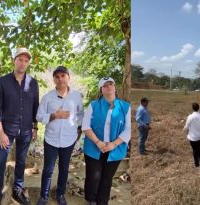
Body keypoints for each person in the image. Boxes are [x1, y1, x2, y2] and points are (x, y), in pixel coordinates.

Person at [0, 48, 39, 205]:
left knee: (21, 161)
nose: (23, 63)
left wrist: (35, 127)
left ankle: (18, 190)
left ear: (28, 63)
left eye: (26, 60)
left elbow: (35, 107)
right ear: (14, 60)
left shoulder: (33, 83)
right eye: (20, 59)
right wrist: (1, 132)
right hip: (6, 130)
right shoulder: (3, 81)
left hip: (25, 130)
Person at [35, 66, 84, 205]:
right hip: (51, 139)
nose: (60, 79)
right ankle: (43, 196)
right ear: (54, 80)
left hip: (69, 139)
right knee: (48, 169)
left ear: (69, 77)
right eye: (57, 76)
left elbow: (81, 114)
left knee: (64, 168)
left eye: (63, 76)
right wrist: (54, 115)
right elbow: (38, 116)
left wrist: (79, 129)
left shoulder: (76, 96)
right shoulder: (47, 97)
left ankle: (60, 194)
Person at [82, 77, 131, 205]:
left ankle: (102, 201)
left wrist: (113, 144)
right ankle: (91, 199)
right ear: (101, 90)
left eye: (111, 84)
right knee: (93, 176)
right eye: (105, 85)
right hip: (94, 146)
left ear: (115, 87)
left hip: (115, 147)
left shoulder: (125, 107)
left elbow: (129, 129)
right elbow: (85, 126)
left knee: (107, 178)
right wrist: (98, 142)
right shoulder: (93, 105)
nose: (108, 87)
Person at [183, 103, 200, 167]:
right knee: (198, 144)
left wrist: (184, 130)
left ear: (192, 108)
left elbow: (187, 126)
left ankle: (196, 164)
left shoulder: (190, 117)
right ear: (198, 108)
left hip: (193, 137)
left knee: (194, 150)